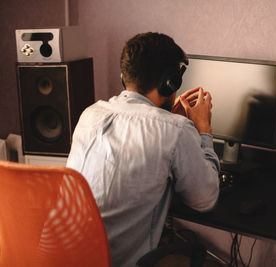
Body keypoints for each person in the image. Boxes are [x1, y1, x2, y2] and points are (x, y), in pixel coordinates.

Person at [66, 32, 220, 266]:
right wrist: (203, 129)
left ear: (123, 77)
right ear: (171, 82)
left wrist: (169, 120)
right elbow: (204, 200)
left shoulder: (91, 114)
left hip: (61, 256)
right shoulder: (176, 129)